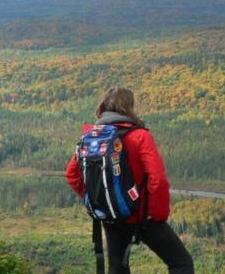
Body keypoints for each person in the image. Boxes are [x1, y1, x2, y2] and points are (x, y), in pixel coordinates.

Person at [66, 86, 194, 274]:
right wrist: (155, 214)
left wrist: (101, 200)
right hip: (142, 216)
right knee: (181, 263)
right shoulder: (140, 136)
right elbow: (157, 179)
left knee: (117, 268)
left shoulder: (92, 138)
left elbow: (72, 174)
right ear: (129, 106)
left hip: (112, 216)